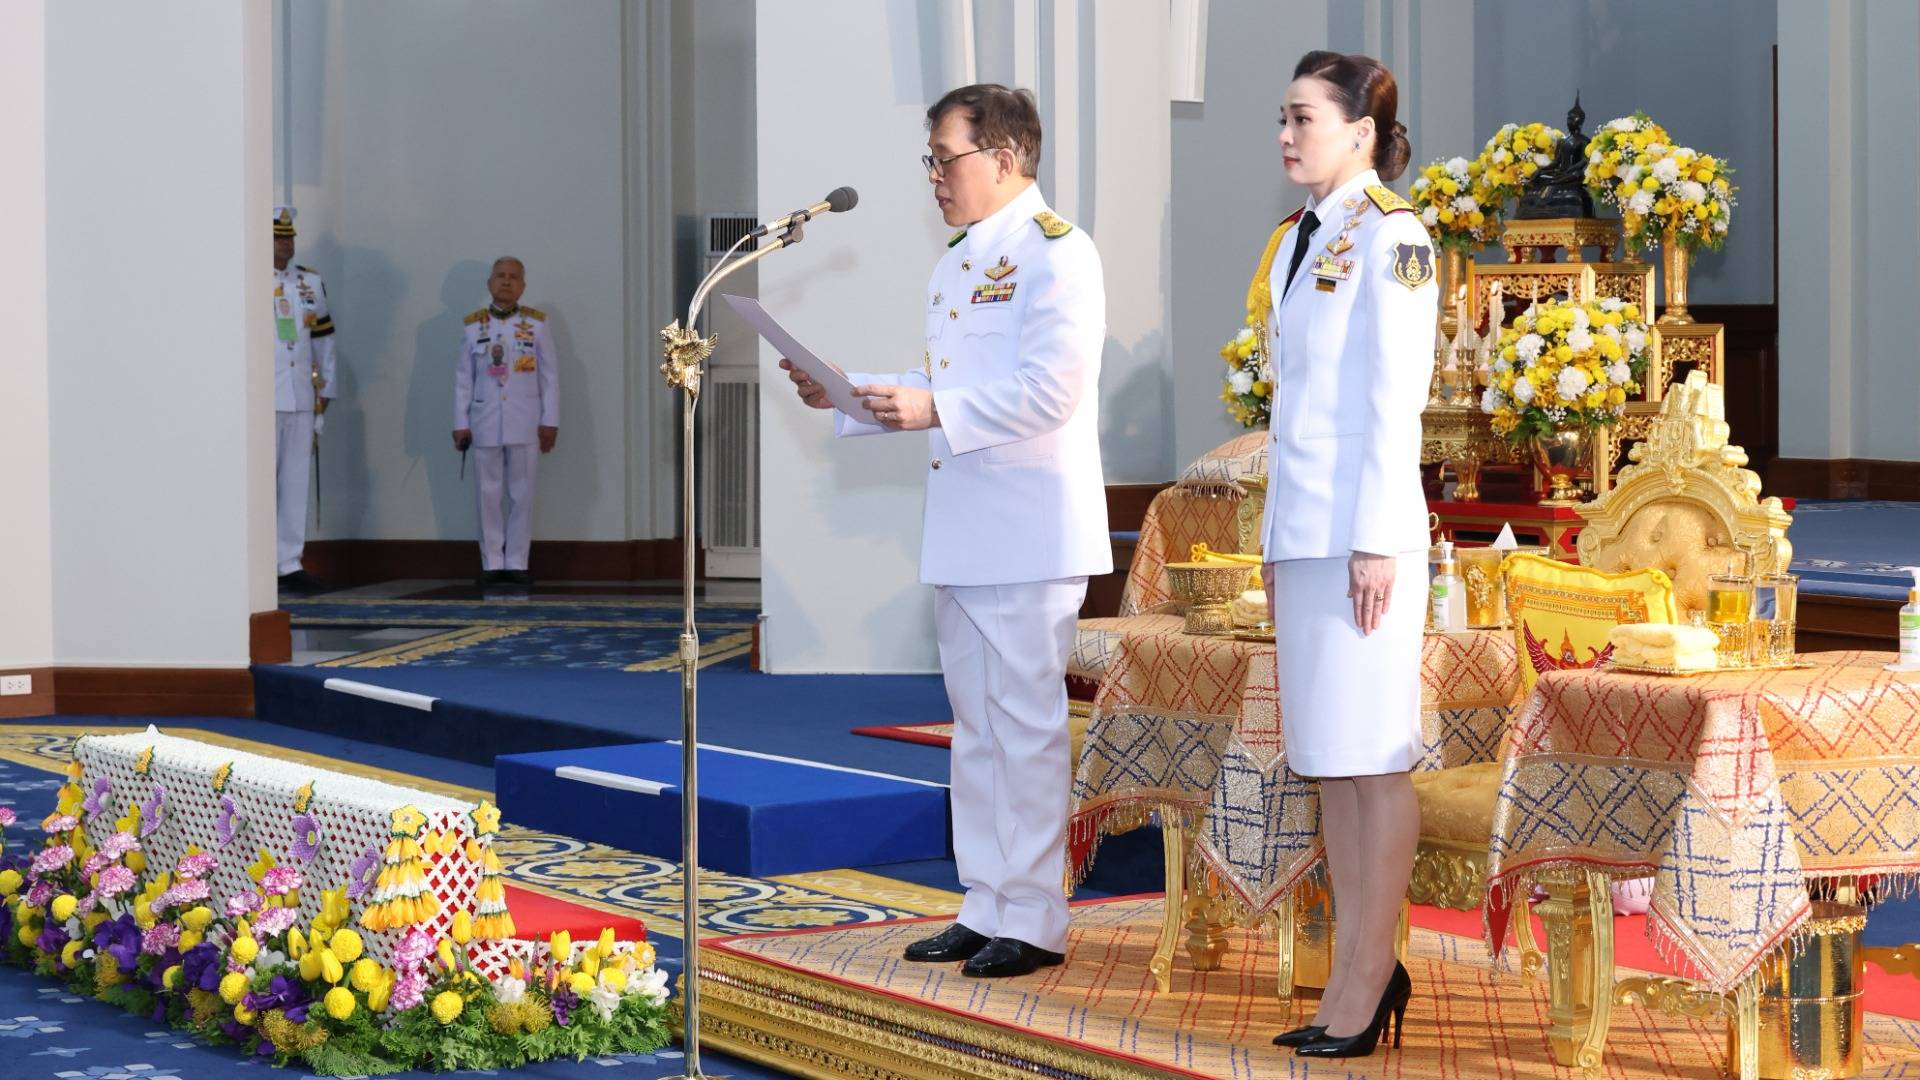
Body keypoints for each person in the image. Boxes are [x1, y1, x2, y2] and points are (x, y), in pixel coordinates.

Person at [781, 83, 1109, 978]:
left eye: (945, 158)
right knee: (976, 726)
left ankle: (1035, 918)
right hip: (966, 523)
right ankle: (986, 900)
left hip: (1029, 526)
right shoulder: (961, 260)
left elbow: (1051, 391)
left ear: (1003, 159)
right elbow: (944, 388)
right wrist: (849, 393)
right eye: (930, 160)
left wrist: (931, 404)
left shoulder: (1058, 254)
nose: (933, 176)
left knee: (1026, 726)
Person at [1252, 51, 1437, 1058]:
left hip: (1366, 538)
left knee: (1372, 757)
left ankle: (1370, 971)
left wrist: (1372, 540)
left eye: (1303, 118)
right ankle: (1354, 971)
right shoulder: (1298, 240)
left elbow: (1391, 400)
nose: (1286, 135)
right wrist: (1280, 541)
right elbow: (1295, 412)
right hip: (1306, 534)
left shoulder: (1395, 238)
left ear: (1361, 131)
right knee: (1327, 758)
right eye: (1281, 119)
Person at [453, 257, 559, 586]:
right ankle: (492, 563)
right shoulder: (473, 326)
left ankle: (517, 561)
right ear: (489, 283)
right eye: (500, 276)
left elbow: (550, 376)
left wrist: (550, 420)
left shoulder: (537, 324)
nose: (506, 282)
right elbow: (462, 378)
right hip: (485, 419)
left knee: (522, 493)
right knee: (488, 493)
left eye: (514, 277)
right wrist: (460, 421)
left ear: (523, 286)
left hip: (525, 420)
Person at [271, 205, 337, 591]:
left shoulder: (310, 282)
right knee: (263, 481)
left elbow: (324, 337)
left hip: (299, 393)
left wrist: (327, 387)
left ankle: (289, 562)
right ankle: (260, 561)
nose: (286, 243)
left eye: (289, 236)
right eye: (279, 237)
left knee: (296, 478)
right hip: (264, 396)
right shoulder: (249, 280)